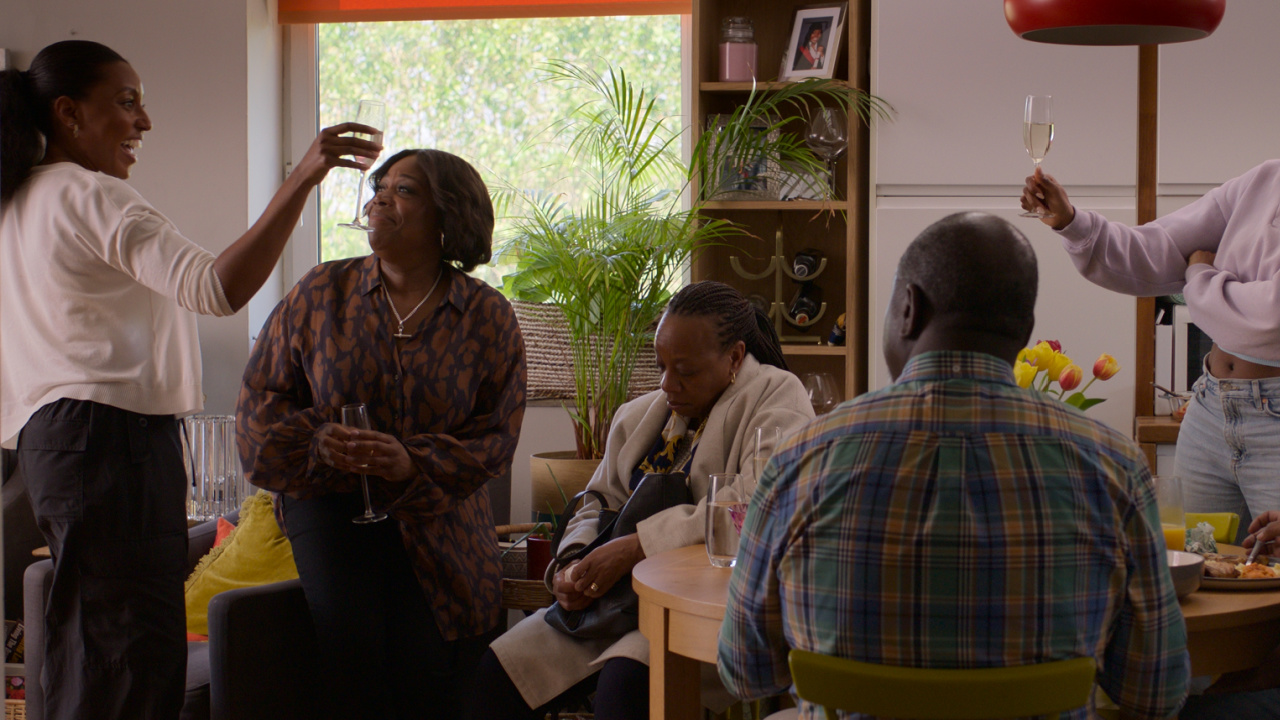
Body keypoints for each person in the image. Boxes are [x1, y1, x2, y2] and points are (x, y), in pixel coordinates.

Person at [0, 40, 379, 720]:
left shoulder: (19, 200)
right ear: (68, 113)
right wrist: (301, 179)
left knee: (87, 646)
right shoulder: (92, 195)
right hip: (106, 442)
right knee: (130, 655)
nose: (144, 121)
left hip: (52, 447)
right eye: (126, 102)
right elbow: (214, 287)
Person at [718, 212, 1190, 720]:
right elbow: (1154, 690)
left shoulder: (801, 460)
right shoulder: (1114, 465)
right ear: (1024, 330)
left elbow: (745, 671)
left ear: (908, 308)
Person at [236, 148, 526, 719]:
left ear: (448, 215)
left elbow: (496, 436)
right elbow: (258, 405)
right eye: (380, 187)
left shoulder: (486, 315)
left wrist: (409, 463)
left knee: (436, 662)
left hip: (439, 513)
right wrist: (318, 440)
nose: (380, 199)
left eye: (405, 189)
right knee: (354, 652)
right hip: (329, 503)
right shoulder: (320, 292)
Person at [473, 281, 814, 720]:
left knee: (627, 685)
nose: (667, 384)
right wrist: (572, 563)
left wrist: (637, 547)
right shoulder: (638, 416)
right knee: (495, 674)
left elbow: (754, 504)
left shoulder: (778, 397)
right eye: (661, 366)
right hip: (612, 603)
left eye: (685, 370)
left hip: (707, 608)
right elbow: (595, 499)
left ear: (733, 357)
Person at [1023, 164, 1280, 536]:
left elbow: (1269, 318)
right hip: (1210, 410)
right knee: (1195, 565)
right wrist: (1073, 222)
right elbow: (1159, 246)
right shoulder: (1264, 180)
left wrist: (1200, 277)